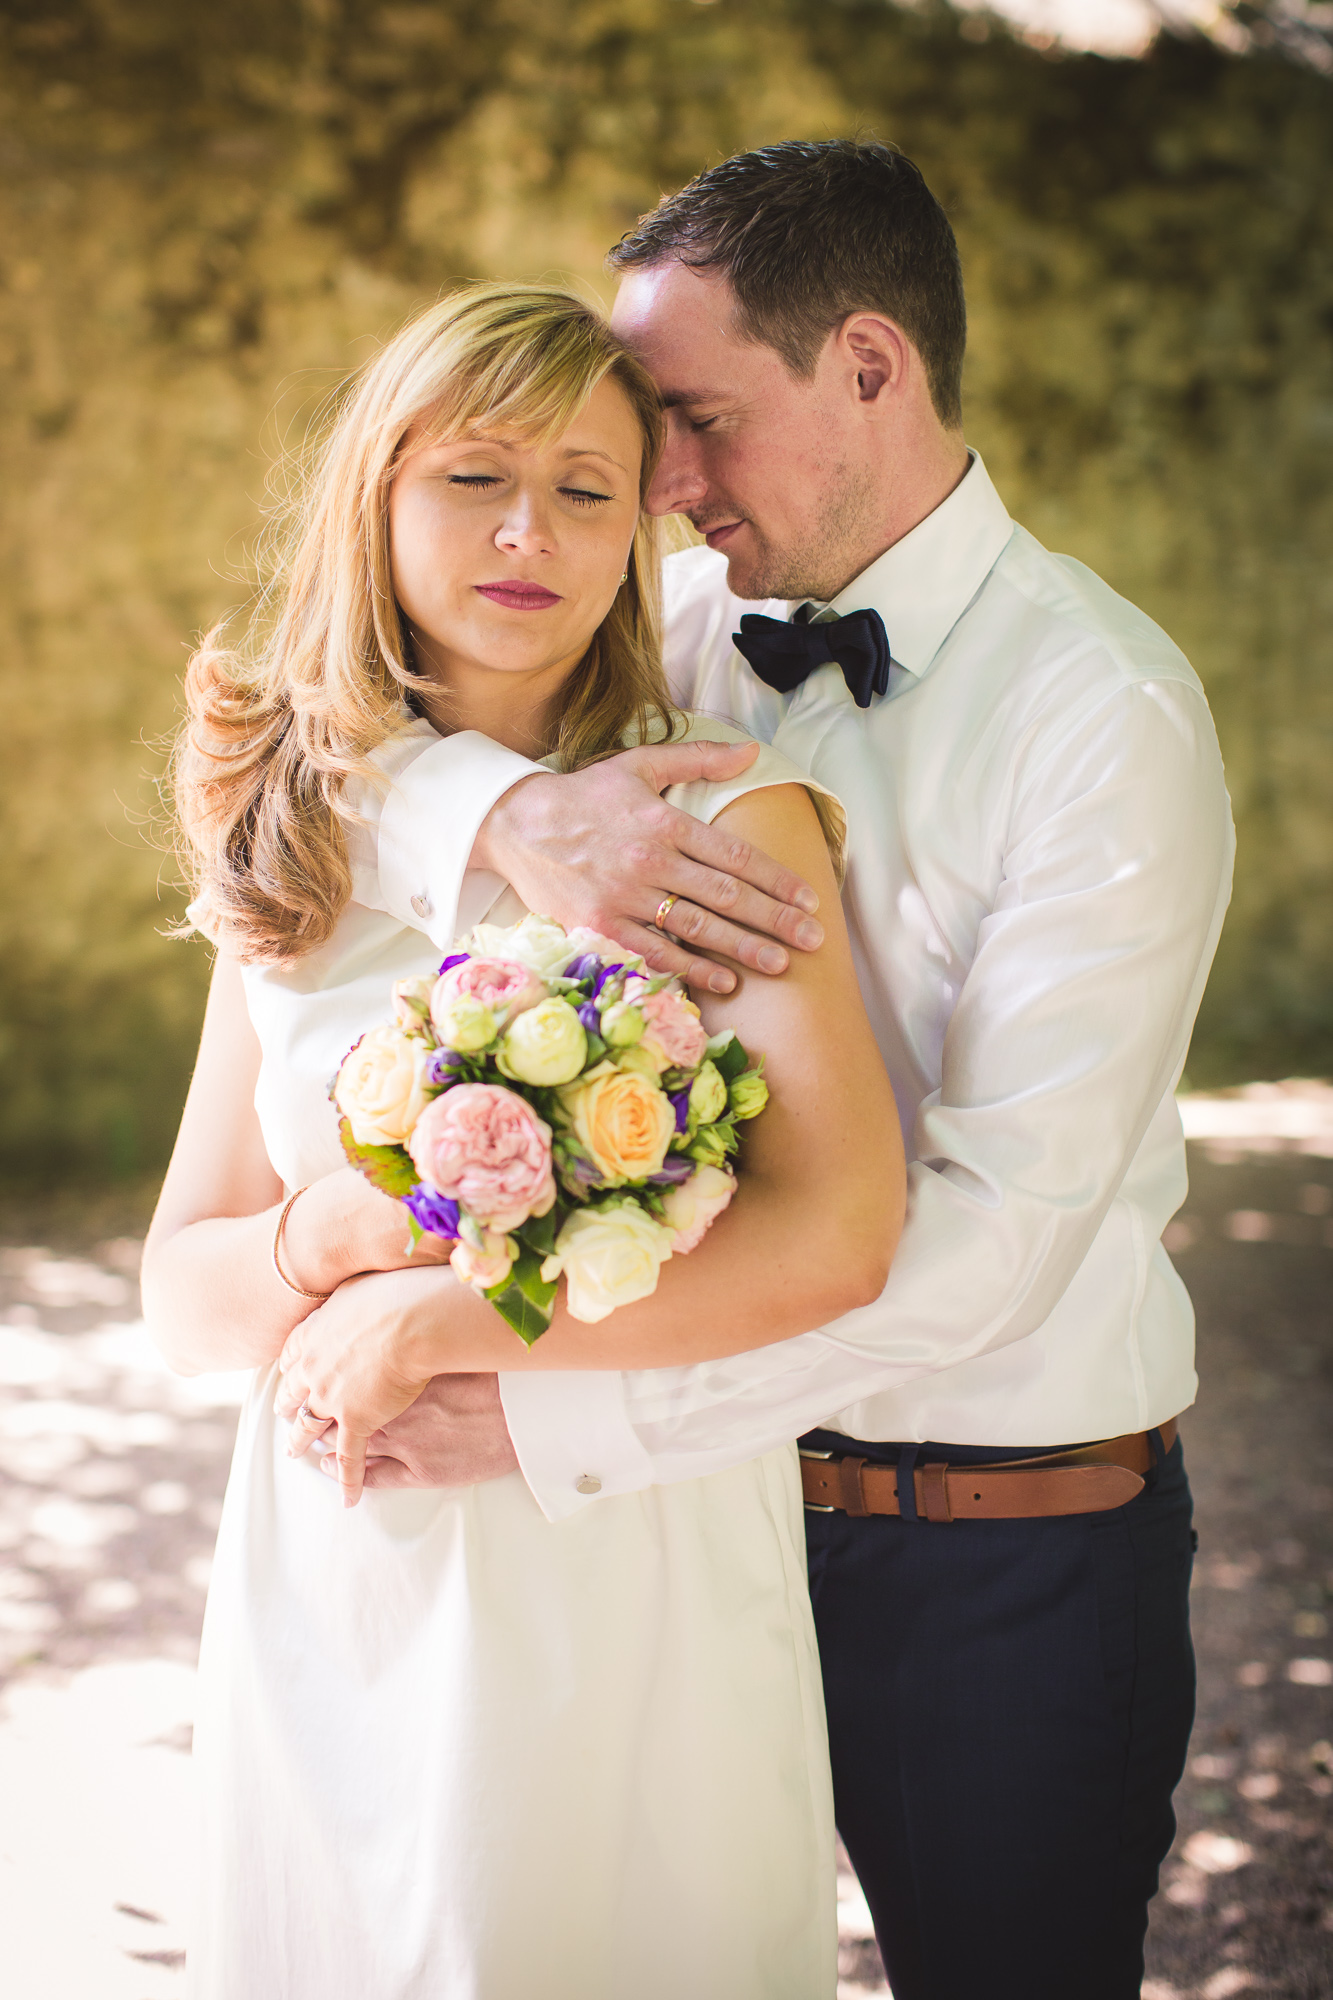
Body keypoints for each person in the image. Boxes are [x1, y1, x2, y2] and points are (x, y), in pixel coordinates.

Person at [342, 143, 1236, 2000]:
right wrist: (496, 808)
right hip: (681, 1549)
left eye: (698, 421)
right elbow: (341, 731)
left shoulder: (1106, 714)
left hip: (990, 1558)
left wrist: (564, 1418)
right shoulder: (669, 631)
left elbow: (999, 1238)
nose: (661, 485)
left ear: (869, 364)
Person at [140, 282, 906, 1999]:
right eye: (472, 477)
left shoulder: (722, 811)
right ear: (376, 498)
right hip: (336, 1561)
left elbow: (839, 1232)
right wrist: (336, 1239)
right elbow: (181, 1296)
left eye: (582, 489)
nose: (526, 533)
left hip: (623, 1560)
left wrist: (449, 1323)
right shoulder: (299, 840)